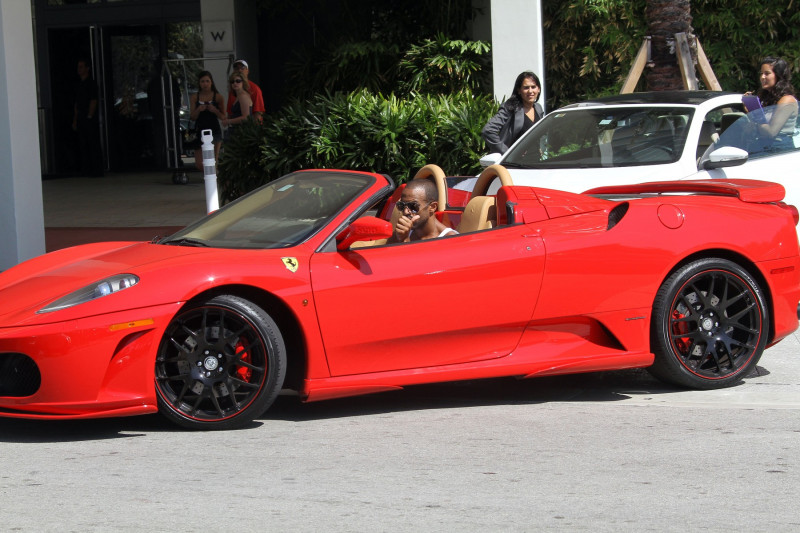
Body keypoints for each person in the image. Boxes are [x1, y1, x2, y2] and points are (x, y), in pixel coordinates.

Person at [482, 71, 544, 154]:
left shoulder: (538, 108)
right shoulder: (510, 108)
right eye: (526, 88)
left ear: (538, 89)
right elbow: (488, 130)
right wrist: (507, 152)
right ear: (519, 90)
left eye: (533, 87)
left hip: (535, 160)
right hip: (515, 163)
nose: (530, 91)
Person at [746, 56, 798, 152]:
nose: (762, 77)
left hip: (779, 149)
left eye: (767, 73)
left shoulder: (787, 100)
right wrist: (749, 109)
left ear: (778, 76)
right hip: (762, 147)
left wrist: (754, 112)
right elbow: (755, 128)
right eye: (761, 73)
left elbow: (771, 132)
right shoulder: (765, 99)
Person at [387, 179, 458, 243]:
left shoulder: (451, 240)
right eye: (401, 205)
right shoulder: (403, 232)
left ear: (432, 207)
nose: (405, 211)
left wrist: (405, 240)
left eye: (413, 206)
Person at [72, 58, 103, 176]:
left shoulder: (91, 83)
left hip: (89, 118)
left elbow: (93, 100)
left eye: (81, 67)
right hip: (81, 117)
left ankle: (96, 170)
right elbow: (76, 104)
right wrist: (75, 120)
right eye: (78, 67)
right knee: (83, 144)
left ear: (87, 68)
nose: (79, 69)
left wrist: (90, 115)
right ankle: (87, 169)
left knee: (92, 143)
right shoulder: (78, 85)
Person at [189, 70, 226, 170]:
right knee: (200, 163)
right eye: (202, 81)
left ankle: (213, 179)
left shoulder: (218, 97)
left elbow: (223, 116)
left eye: (207, 81)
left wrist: (214, 110)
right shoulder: (195, 97)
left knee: (213, 160)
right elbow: (192, 117)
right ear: (199, 83)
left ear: (211, 82)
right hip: (200, 130)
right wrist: (198, 110)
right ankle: (207, 175)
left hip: (214, 130)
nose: (205, 84)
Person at [223, 71, 253, 137]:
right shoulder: (238, 96)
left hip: (242, 133)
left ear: (243, 82)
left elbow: (246, 118)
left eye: (238, 81)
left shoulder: (243, 96)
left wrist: (229, 121)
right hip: (238, 131)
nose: (235, 83)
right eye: (232, 81)